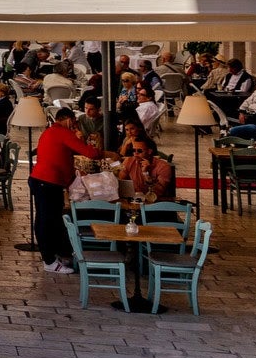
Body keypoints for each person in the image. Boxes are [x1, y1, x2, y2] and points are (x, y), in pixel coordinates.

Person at [28, 107, 102, 275]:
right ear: (68, 120)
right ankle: (49, 260)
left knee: (50, 219)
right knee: (46, 221)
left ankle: (53, 255)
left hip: (42, 181)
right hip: (47, 182)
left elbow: (61, 157)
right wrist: (102, 151)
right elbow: (89, 153)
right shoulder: (63, 132)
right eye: (74, 122)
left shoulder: (49, 132)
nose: (75, 126)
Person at [119, 133, 176, 201]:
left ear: (149, 151)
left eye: (139, 151)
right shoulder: (129, 161)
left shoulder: (163, 167)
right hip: (134, 200)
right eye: (134, 150)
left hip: (156, 203)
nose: (135, 153)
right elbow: (121, 184)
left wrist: (146, 173)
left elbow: (157, 192)